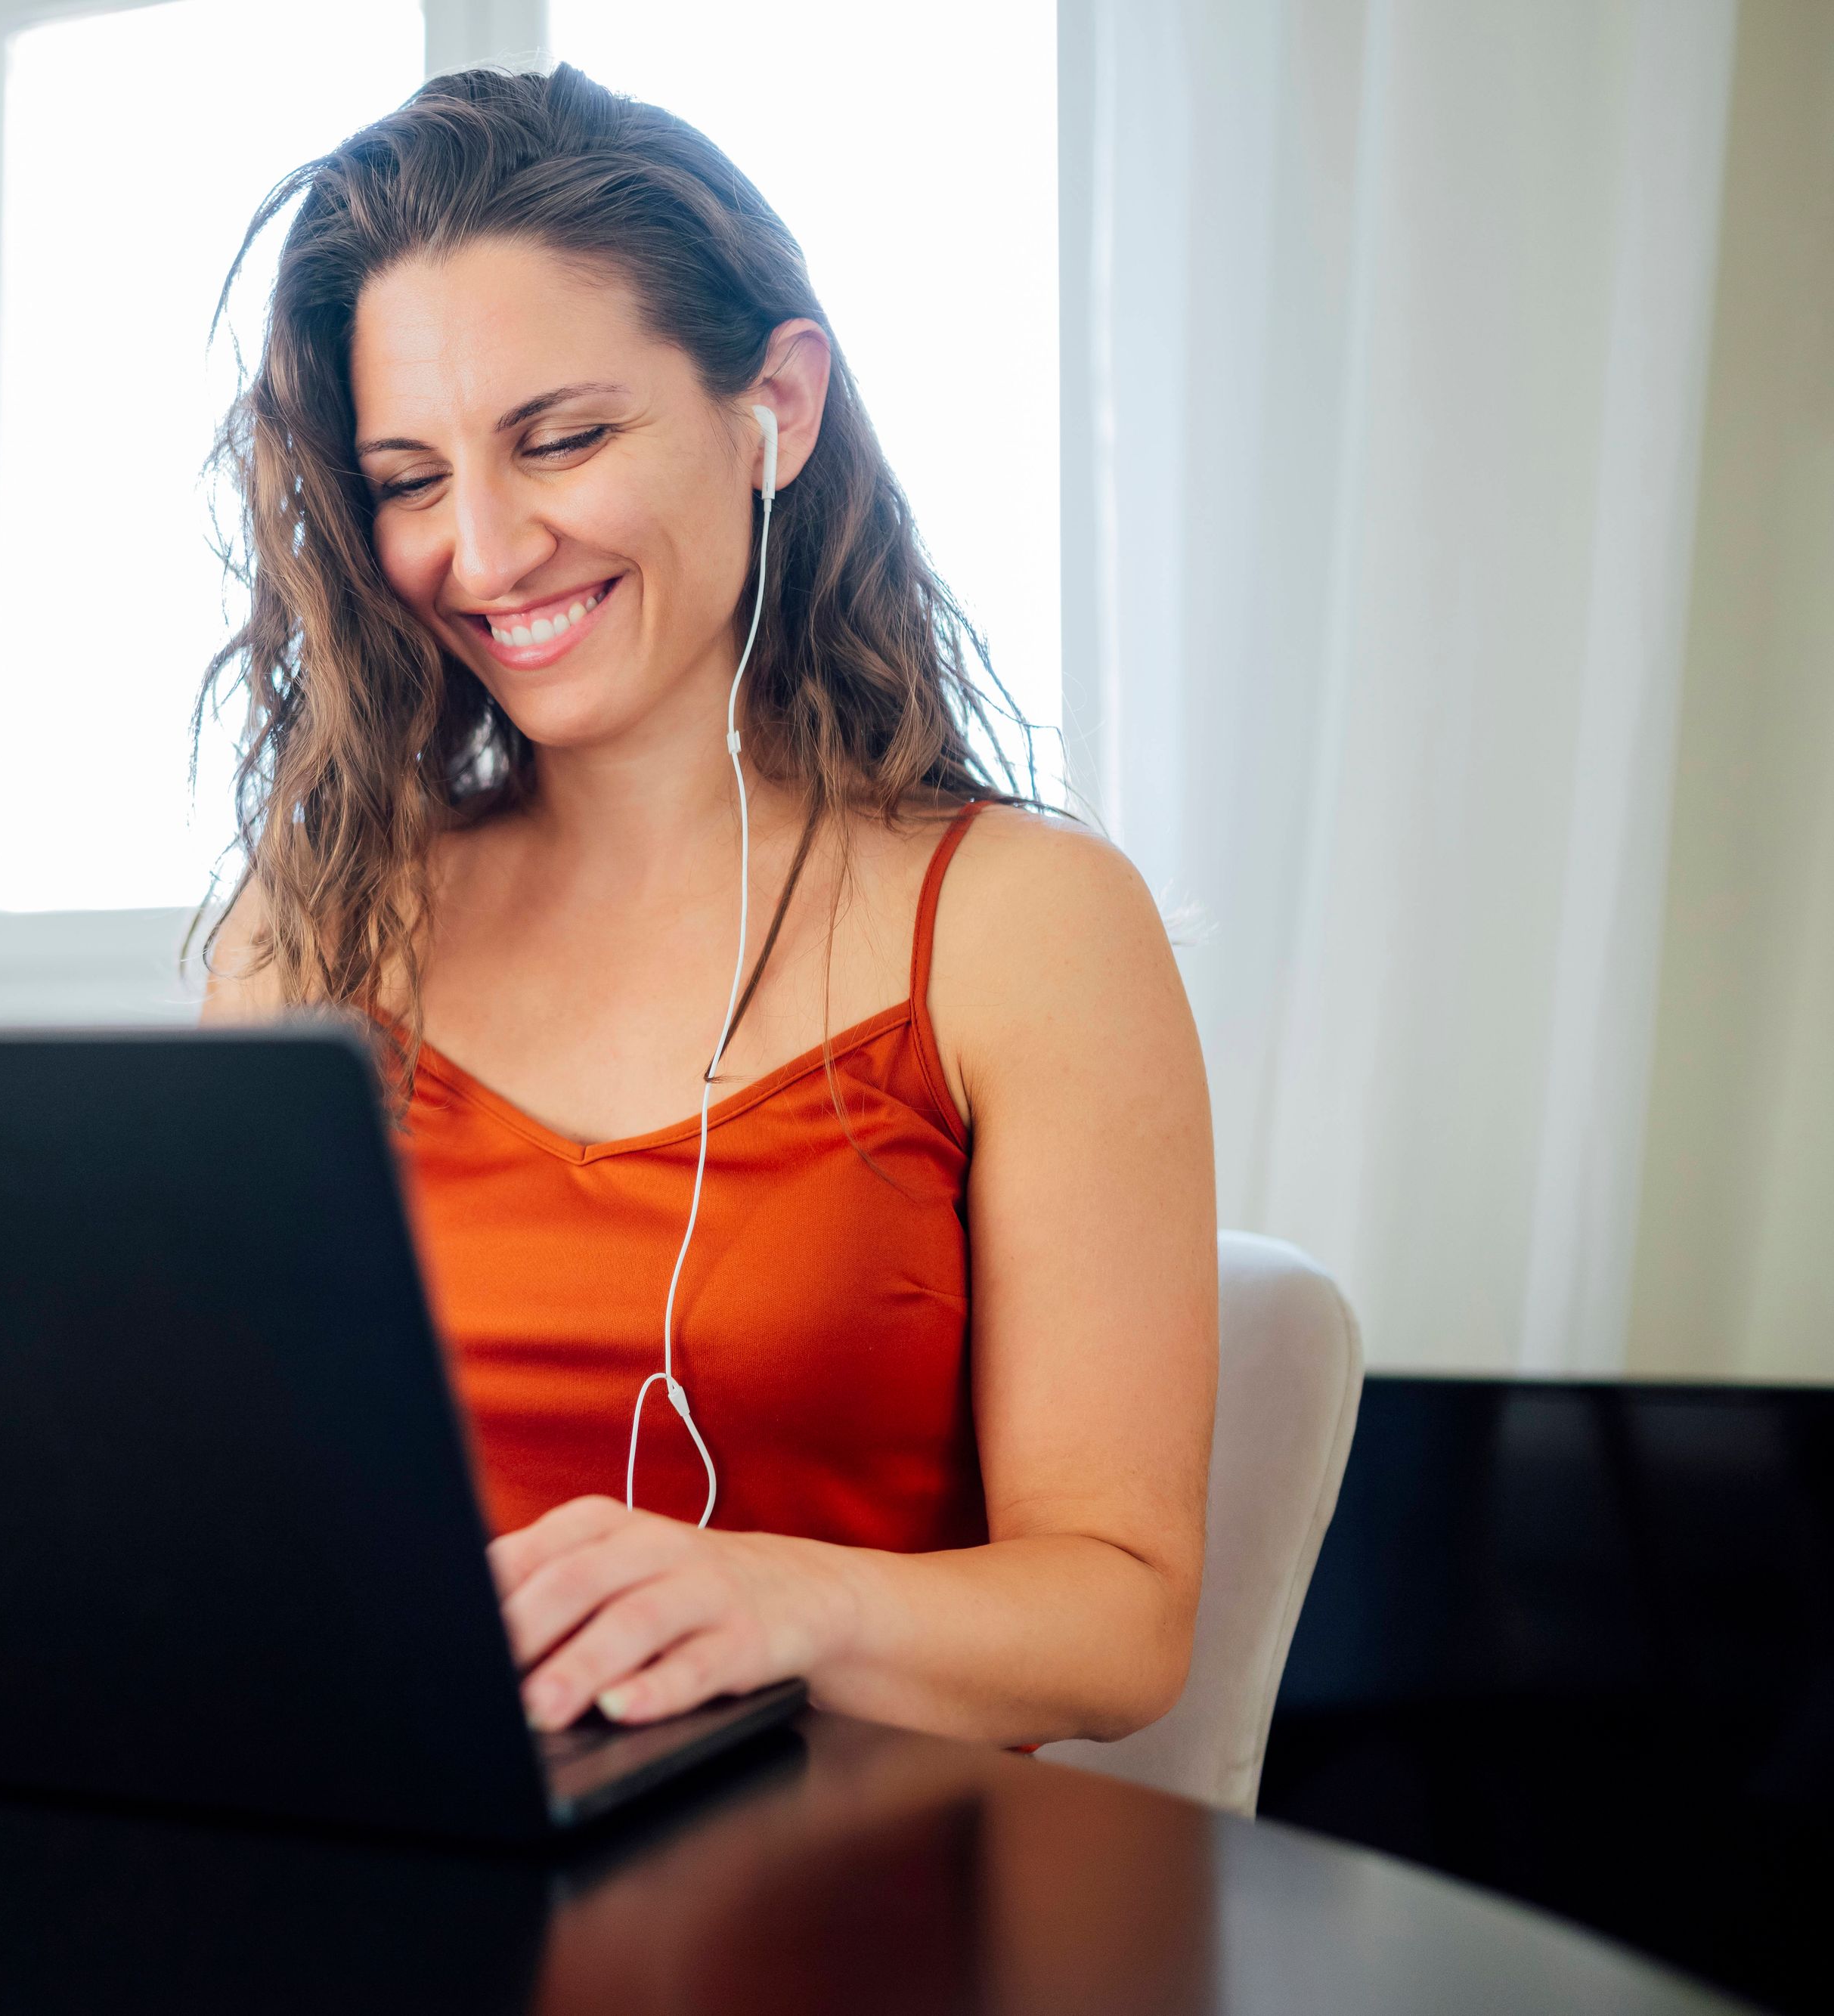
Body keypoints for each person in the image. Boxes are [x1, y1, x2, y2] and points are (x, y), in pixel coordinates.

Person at [198, 65, 1216, 1751]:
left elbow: (1122, 1616)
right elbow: (228, 1512)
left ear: (776, 407)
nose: (487, 546)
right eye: (406, 477)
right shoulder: (314, 928)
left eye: (562, 438)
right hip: (396, 1857)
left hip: (843, 1898)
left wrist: (782, 1596)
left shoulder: (1022, 923)